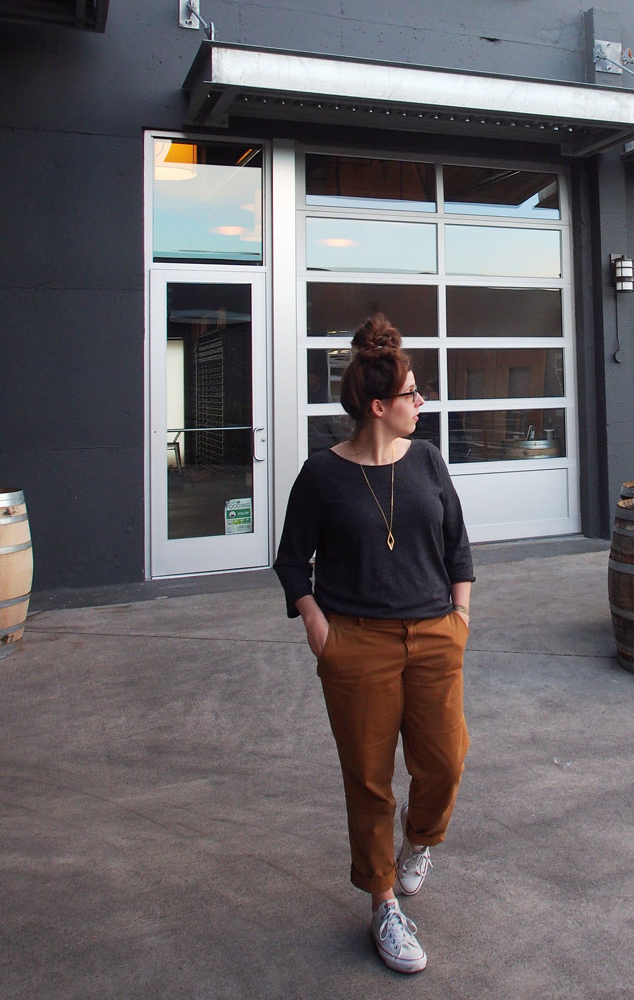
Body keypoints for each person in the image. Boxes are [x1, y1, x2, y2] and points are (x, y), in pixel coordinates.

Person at [274, 314, 474, 974]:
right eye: (414, 394)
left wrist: (461, 616)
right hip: (355, 643)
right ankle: (383, 905)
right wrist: (316, 623)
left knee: (444, 760)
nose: (423, 404)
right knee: (368, 782)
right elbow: (290, 559)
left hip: (434, 633)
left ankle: (421, 841)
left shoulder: (427, 461)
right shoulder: (323, 475)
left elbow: (457, 545)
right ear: (379, 407)